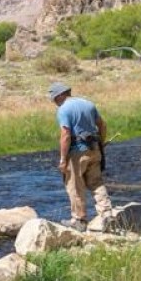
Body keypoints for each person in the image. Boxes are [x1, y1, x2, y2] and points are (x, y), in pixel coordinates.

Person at [47, 81, 113, 231]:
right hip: (94, 149)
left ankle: (79, 220)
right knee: (96, 183)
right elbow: (102, 125)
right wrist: (101, 144)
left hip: (77, 152)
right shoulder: (88, 103)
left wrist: (63, 160)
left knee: (75, 186)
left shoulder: (64, 109)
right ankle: (107, 215)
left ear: (61, 95)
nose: (55, 103)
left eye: (55, 99)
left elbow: (65, 135)